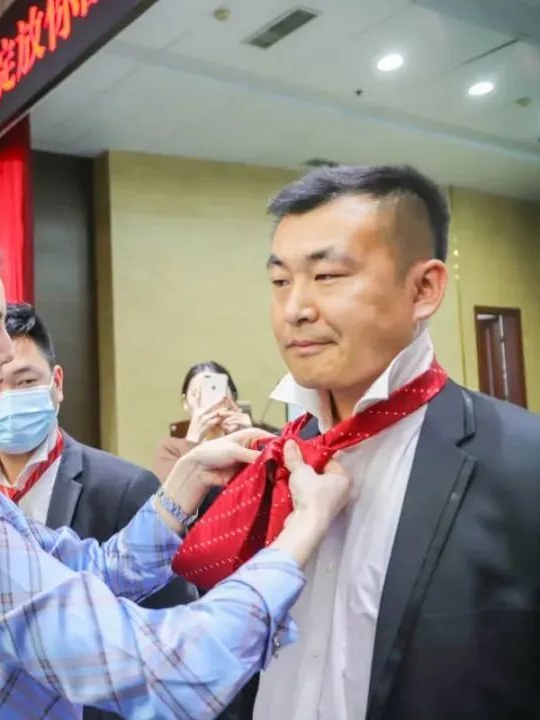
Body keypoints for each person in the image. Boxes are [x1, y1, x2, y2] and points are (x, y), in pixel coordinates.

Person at [0, 226, 353, 720]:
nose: (5, 353)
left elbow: (86, 572)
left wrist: (184, 482)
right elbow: (165, 669)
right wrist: (301, 532)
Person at [178, 165, 540, 720]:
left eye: (327, 276)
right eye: (280, 281)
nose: (295, 309)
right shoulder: (263, 466)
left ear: (424, 289)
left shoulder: (523, 465)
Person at [0, 300, 197, 614]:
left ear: (57, 383)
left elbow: (171, 614)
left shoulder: (125, 488)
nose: (8, 398)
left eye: (26, 382)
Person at [153, 361, 251, 481]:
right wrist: (192, 443)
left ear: (233, 398)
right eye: (197, 393)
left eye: (218, 391)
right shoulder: (171, 448)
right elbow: (168, 492)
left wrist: (249, 442)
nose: (210, 401)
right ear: (185, 402)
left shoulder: (250, 437)